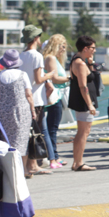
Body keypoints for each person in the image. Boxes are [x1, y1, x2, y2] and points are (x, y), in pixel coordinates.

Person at [19, 25, 56, 176]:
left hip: (24, 98)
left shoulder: (22, 55)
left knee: (29, 132)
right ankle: (32, 166)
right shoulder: (37, 56)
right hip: (36, 99)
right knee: (36, 132)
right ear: (35, 38)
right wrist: (50, 74)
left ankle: (30, 165)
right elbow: (38, 78)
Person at [0, 49, 35, 173]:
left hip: (4, 111)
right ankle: (23, 170)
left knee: (6, 140)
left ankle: (9, 171)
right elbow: (28, 94)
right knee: (22, 139)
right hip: (21, 110)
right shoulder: (23, 75)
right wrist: (33, 110)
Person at [66, 36, 99, 172]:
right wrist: (90, 104)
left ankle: (77, 161)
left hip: (84, 101)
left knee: (84, 131)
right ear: (85, 48)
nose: (94, 50)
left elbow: (90, 77)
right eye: (92, 48)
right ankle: (78, 162)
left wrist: (90, 64)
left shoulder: (81, 61)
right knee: (83, 132)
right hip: (83, 102)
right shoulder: (79, 63)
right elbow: (82, 86)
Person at [41, 34, 71, 170]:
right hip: (55, 97)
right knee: (52, 128)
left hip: (53, 96)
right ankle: (54, 156)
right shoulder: (51, 58)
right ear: (57, 46)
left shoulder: (49, 58)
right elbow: (55, 78)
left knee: (49, 128)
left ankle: (51, 155)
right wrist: (70, 79)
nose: (64, 50)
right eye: (62, 46)